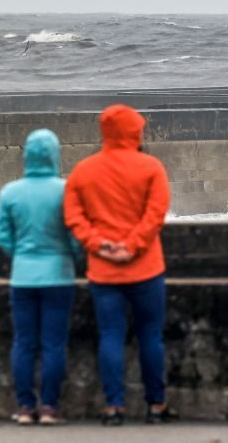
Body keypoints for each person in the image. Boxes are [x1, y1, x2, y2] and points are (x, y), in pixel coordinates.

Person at [63, 104, 175, 426]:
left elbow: (73, 217)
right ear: (135, 131)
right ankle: (156, 406)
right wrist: (132, 246)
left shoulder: (83, 171)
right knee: (151, 336)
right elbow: (156, 214)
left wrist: (100, 244)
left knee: (110, 335)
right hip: (146, 268)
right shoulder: (151, 167)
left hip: (103, 270)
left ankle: (114, 407)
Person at [0, 128, 81, 426]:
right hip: (59, 277)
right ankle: (50, 408)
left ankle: (26, 407)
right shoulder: (66, 190)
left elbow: (2, 236)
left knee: (24, 343)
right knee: (54, 344)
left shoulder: (10, 192)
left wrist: (22, 255)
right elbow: (75, 237)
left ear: (27, 156)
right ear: (55, 155)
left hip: (23, 277)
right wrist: (73, 257)